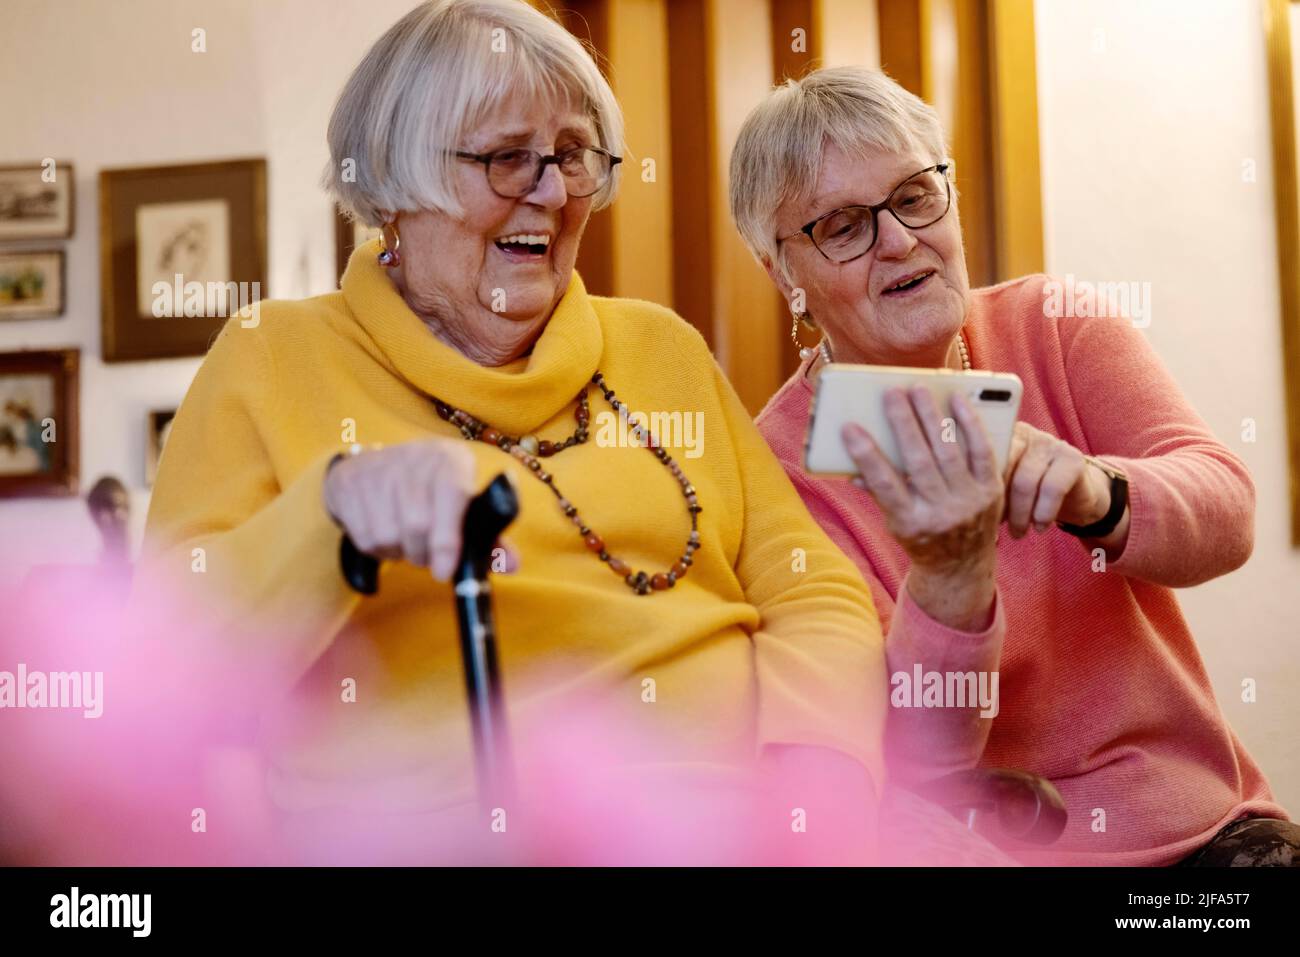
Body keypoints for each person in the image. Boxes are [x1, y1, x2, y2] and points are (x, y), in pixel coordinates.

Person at [138, 0, 884, 861]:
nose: (556, 190)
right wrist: (333, 514)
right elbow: (167, 666)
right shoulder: (275, 359)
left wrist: (816, 784)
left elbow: (810, 591)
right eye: (506, 158)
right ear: (394, 184)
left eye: (572, 155)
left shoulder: (660, 347)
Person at [730, 65, 1296, 865]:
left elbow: (1229, 517)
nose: (898, 239)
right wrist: (949, 579)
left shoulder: (1052, 326)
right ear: (782, 272)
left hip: (1203, 836)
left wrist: (1094, 490)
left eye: (915, 195)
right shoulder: (777, 472)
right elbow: (918, 761)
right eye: (842, 226)